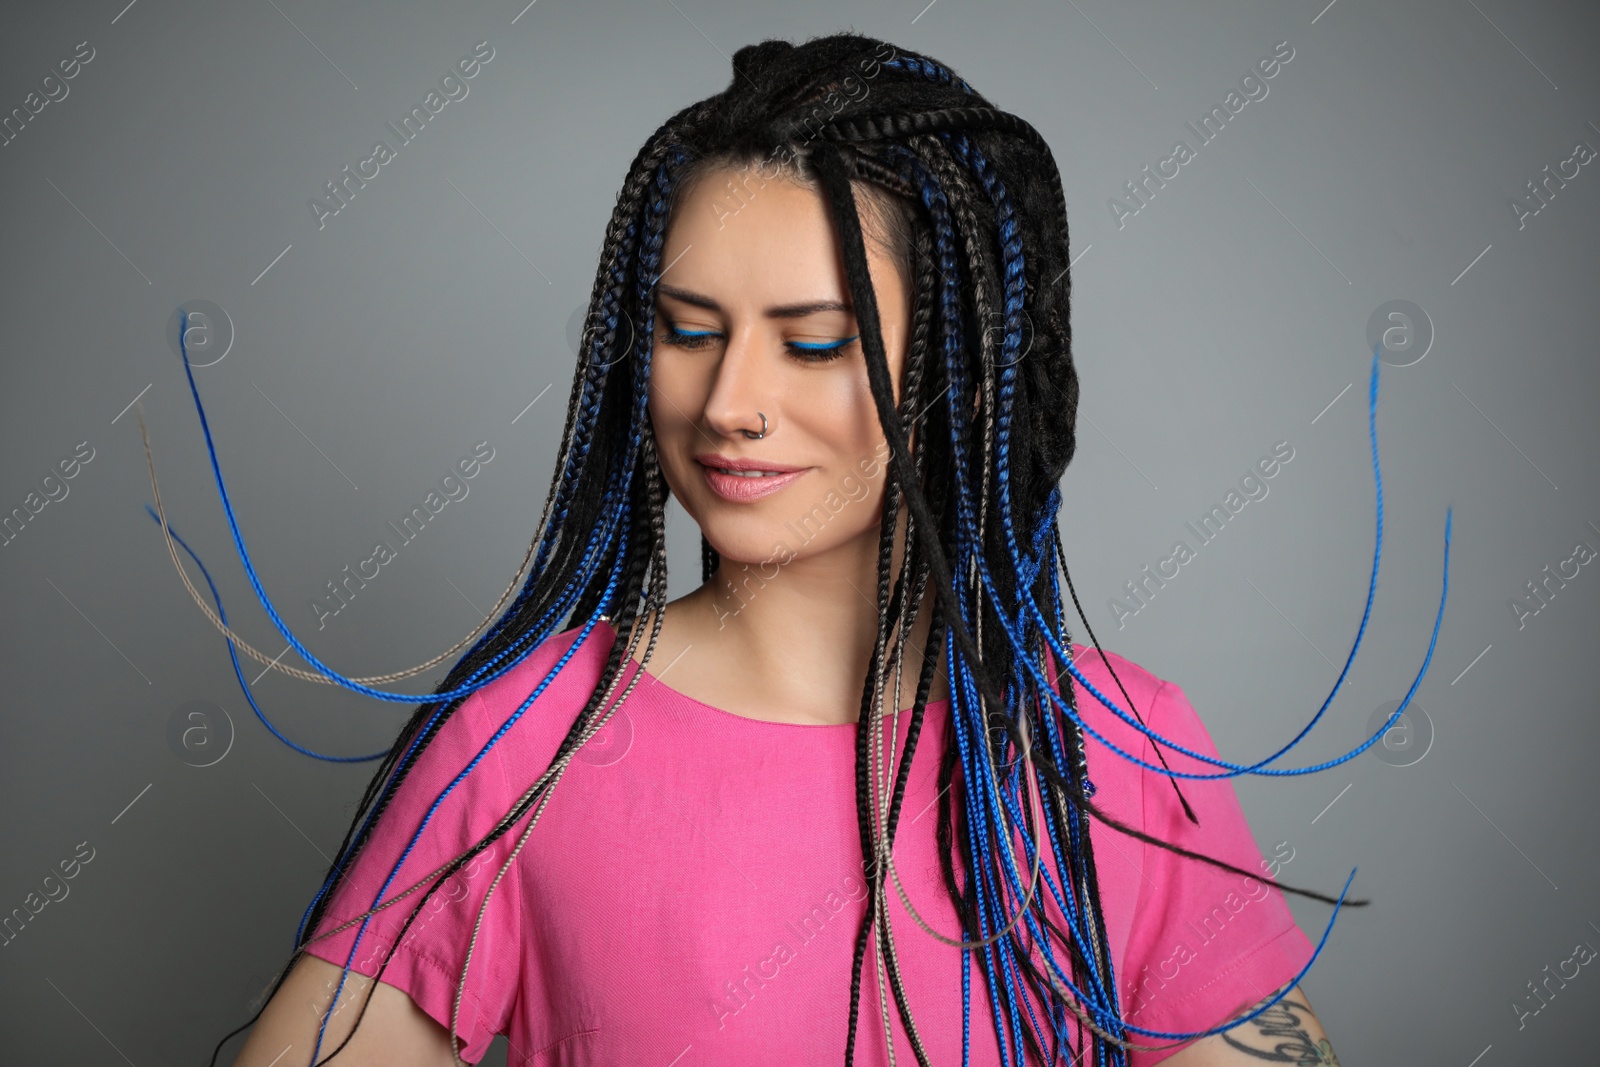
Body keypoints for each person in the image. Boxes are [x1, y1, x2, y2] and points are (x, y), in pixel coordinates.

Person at [204, 31, 1360, 1067]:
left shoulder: (1119, 750)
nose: (727, 401)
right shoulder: (528, 745)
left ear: (959, 372)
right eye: (686, 330)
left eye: (811, 344)